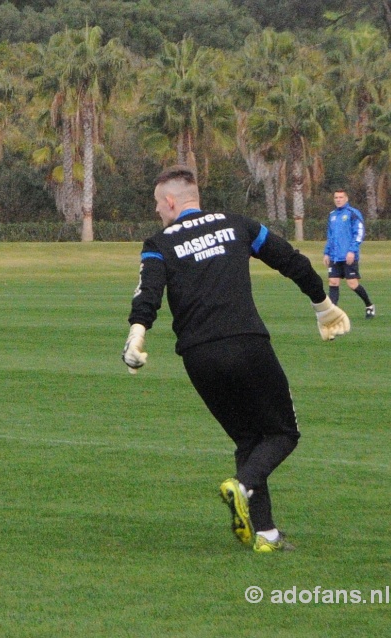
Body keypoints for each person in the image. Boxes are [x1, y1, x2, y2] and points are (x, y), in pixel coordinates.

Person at [122, 166, 350, 553]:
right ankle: (240, 487)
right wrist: (323, 305)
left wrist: (136, 334)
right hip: (247, 344)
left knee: (249, 437)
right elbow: (291, 260)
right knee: (283, 434)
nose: (158, 212)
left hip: (198, 357)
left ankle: (266, 534)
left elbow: (149, 292)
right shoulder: (238, 224)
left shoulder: (158, 243)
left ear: (172, 201)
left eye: (158, 204)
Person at [323, 189, 375, 319]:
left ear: (346, 199)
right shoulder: (332, 215)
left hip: (348, 256)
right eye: (336, 197)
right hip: (335, 256)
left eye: (341, 197)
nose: (338, 199)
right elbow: (330, 236)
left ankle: (369, 305)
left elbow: (359, 233)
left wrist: (352, 250)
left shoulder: (353, 213)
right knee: (333, 282)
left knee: (352, 284)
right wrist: (326, 253)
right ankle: (332, 313)